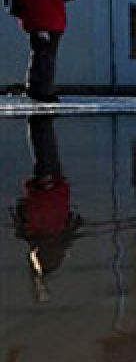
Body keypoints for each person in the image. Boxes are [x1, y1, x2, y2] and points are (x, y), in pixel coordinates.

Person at [11, 116, 81, 302]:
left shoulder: (59, 240)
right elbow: (20, 211)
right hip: (44, 193)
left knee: (47, 155)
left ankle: (41, 120)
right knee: (43, 156)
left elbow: (74, 220)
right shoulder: (33, 237)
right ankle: (39, 121)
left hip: (53, 192)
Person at [3, 0, 78, 103]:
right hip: (54, 18)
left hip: (33, 19)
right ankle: (44, 89)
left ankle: (34, 86)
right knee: (49, 54)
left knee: (37, 52)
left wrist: (20, 12)